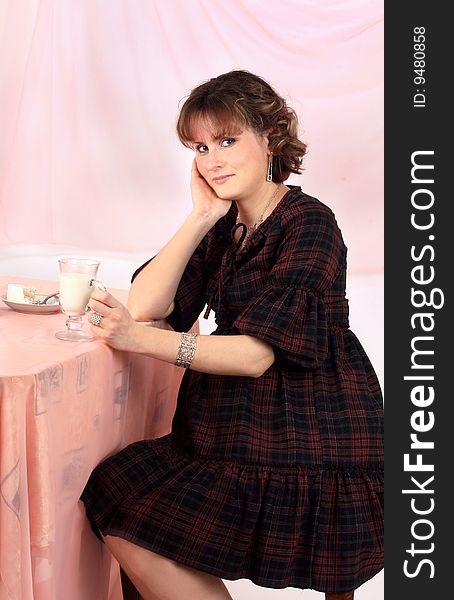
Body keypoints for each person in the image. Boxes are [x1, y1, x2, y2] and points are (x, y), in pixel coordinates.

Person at [80, 70, 384, 600]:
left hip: (310, 426)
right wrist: (199, 216)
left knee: (331, 573)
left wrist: (138, 339)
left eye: (226, 140)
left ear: (269, 138)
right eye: (200, 146)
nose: (212, 160)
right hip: (227, 424)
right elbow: (150, 303)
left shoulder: (310, 222)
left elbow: (253, 356)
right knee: (118, 494)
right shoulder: (224, 224)